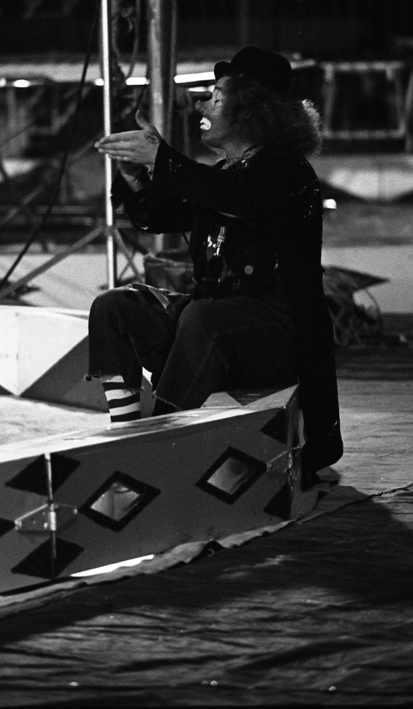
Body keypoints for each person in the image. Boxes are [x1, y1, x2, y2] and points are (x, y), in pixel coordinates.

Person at [89, 45, 343, 477]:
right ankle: (128, 434)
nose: (202, 104)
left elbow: (241, 200)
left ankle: (155, 445)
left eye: (215, 96)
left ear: (250, 110)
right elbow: (158, 215)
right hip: (220, 325)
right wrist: (137, 177)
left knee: (202, 319)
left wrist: (163, 159)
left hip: (280, 332)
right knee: (116, 308)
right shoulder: (225, 173)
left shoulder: (287, 171)